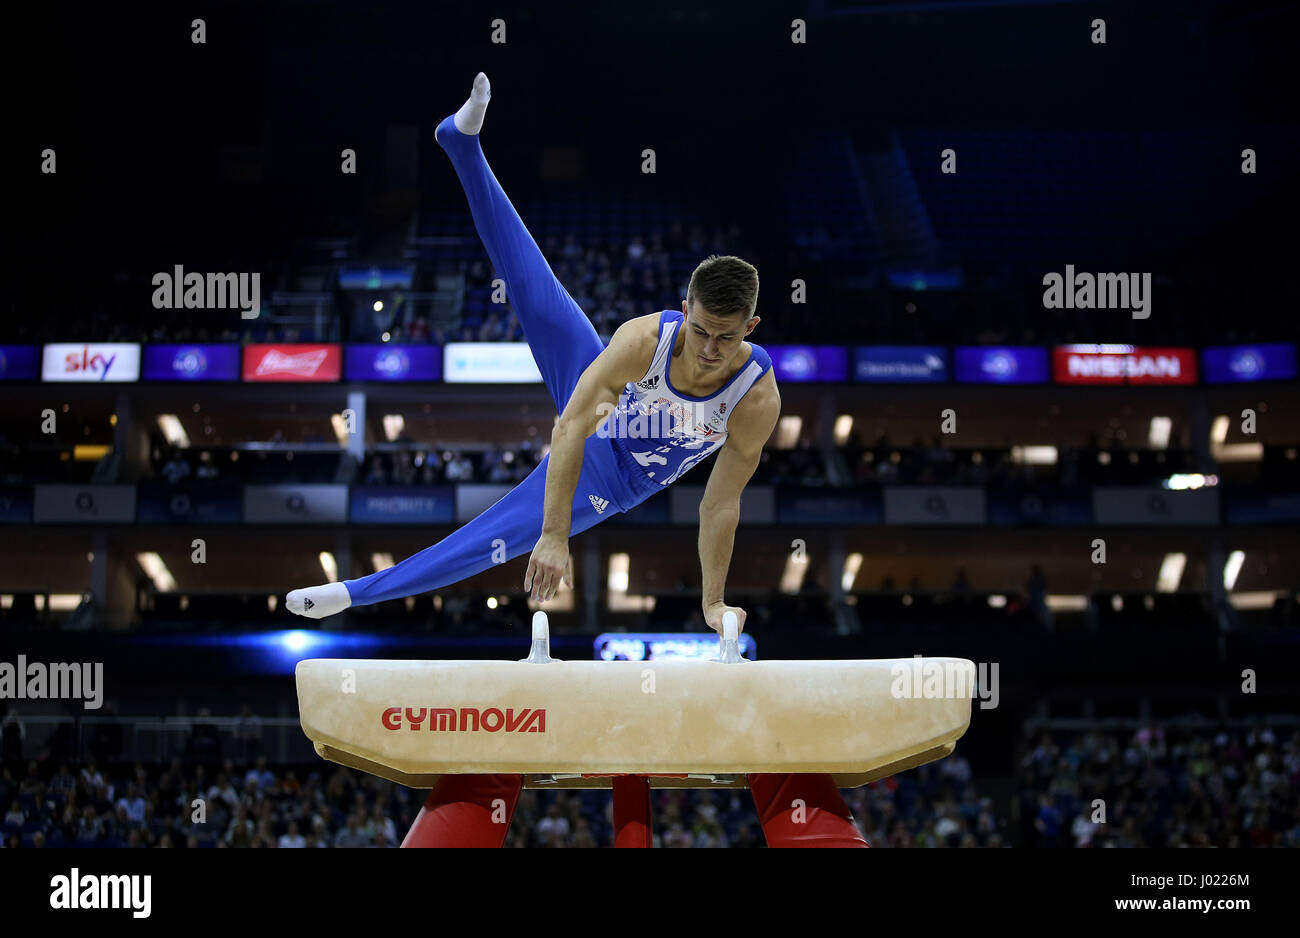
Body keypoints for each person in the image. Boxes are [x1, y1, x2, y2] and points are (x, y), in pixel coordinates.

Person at [287, 73, 865, 848]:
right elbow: (568, 429)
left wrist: (711, 604)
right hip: (588, 440)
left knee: (487, 535)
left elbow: (719, 503)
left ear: (751, 326)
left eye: (727, 338)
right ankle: (462, 146)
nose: (709, 351)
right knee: (531, 287)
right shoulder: (643, 340)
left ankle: (360, 591)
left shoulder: (757, 398)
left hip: (617, 481)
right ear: (683, 310)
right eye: (699, 331)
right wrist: (554, 536)